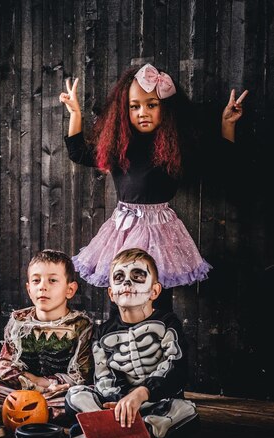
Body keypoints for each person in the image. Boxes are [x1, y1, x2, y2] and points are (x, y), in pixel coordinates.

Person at [59, 63, 248, 302]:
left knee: (156, 292)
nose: (142, 112)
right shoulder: (118, 145)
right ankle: (124, 335)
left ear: (165, 108)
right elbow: (78, 153)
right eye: (134, 106)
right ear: (125, 110)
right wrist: (76, 114)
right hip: (124, 229)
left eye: (152, 105)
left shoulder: (177, 147)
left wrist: (228, 124)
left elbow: (220, 162)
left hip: (160, 229)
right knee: (123, 292)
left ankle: (159, 334)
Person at [65, 247, 199, 438]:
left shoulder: (168, 323)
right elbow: (104, 375)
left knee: (187, 411)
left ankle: (110, 428)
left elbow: (176, 367)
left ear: (154, 291)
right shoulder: (103, 332)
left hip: (157, 402)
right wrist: (118, 400)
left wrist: (142, 393)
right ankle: (121, 426)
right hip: (117, 404)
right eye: (119, 277)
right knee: (75, 394)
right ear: (111, 293)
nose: (127, 282)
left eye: (137, 276)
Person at [0, 250, 93, 424]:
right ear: (29, 289)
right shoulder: (19, 322)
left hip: (58, 392)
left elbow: (82, 374)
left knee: (79, 397)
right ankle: (38, 413)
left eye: (52, 280)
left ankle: (9, 411)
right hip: (23, 388)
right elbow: (3, 363)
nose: (42, 287)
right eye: (36, 280)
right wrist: (32, 384)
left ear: (70, 289)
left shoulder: (80, 326)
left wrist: (46, 383)